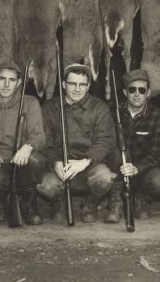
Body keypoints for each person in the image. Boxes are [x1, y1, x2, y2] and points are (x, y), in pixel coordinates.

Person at [37, 63, 116, 223]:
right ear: (64, 84)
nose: (77, 89)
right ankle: (57, 203)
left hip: (90, 164)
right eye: (72, 83)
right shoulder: (50, 107)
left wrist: (87, 160)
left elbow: (106, 140)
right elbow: (45, 141)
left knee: (104, 178)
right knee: (47, 186)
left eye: (82, 84)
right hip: (61, 165)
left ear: (88, 87)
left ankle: (90, 203)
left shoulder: (100, 107)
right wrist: (55, 161)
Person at [0, 60, 46, 224]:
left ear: (19, 83)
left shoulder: (30, 103)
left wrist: (28, 146)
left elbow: (39, 136)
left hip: (21, 160)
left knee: (35, 161)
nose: (7, 85)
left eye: (12, 80)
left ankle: (28, 203)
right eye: (2, 79)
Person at [105, 69, 160, 222]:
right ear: (125, 92)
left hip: (143, 168)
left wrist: (137, 168)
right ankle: (115, 199)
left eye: (142, 90)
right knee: (117, 153)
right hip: (118, 167)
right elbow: (106, 143)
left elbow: (157, 155)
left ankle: (140, 197)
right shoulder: (112, 111)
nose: (137, 94)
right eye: (132, 89)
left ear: (148, 93)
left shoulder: (158, 116)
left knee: (159, 183)